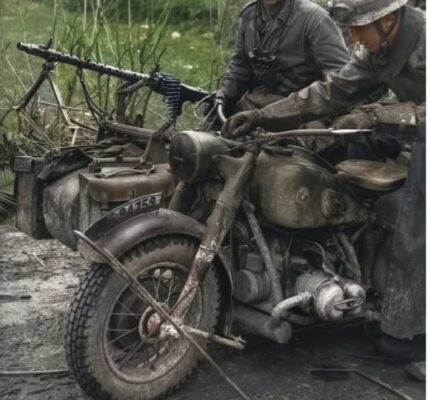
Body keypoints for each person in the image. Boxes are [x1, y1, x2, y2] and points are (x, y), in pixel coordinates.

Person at [222, 0, 425, 377]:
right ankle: (352, 268)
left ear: (387, 21)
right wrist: (264, 115)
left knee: (418, 219)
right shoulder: (374, 51)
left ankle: (414, 336)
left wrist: (379, 114)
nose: (352, 37)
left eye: (357, 28)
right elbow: (330, 91)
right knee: (345, 168)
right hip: (412, 130)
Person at [216, 0, 350, 114]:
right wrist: (225, 95)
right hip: (255, 107)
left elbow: (340, 79)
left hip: (302, 112)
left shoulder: (315, 19)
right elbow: (240, 65)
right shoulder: (248, 15)